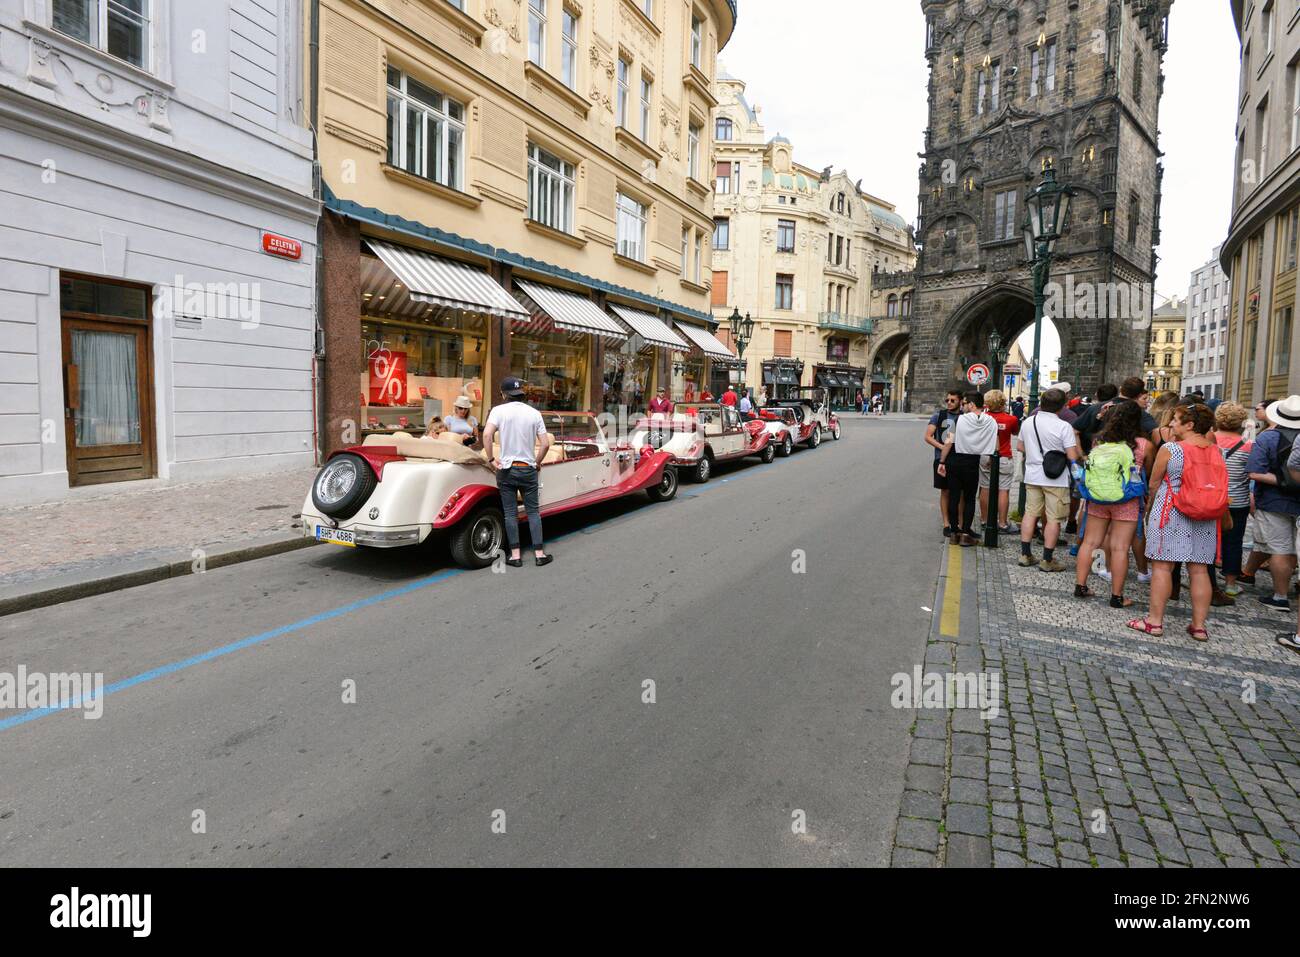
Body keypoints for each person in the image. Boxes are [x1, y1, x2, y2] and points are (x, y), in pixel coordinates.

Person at [1129, 404, 1224, 642]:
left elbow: (1154, 482)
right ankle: (1199, 626)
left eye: (1176, 420)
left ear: (1190, 425)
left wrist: (1149, 507)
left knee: (1162, 567)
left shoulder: (1171, 449)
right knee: (1200, 569)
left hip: (1172, 510)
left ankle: (1154, 622)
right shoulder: (1215, 451)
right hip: (1205, 514)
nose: (1171, 424)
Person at [1073, 401, 1151, 607]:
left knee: (1090, 542)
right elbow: (1148, 473)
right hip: (1127, 500)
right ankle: (1117, 596)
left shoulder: (1100, 441)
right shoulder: (1143, 445)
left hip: (1098, 497)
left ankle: (1080, 585)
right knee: (1119, 548)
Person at [482, 377, 554, 568]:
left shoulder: (498, 411)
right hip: (527, 468)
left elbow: (487, 434)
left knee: (510, 514)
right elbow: (545, 444)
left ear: (504, 394)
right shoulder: (534, 413)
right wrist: (536, 463)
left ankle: (515, 556)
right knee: (533, 512)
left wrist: (491, 459)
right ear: (521, 393)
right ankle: (539, 554)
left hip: (506, 470)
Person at [1245, 395, 1300, 611]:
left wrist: (1283, 480)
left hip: (1274, 501)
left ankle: (1280, 596)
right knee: (1294, 550)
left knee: (1280, 549)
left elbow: (1254, 473)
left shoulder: (1268, 438)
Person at [1017, 388, 1081, 572]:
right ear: (1062, 406)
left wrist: (1036, 454)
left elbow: (1020, 447)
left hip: (1033, 475)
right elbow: (1071, 455)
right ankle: (1047, 559)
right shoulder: (1063, 426)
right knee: (1054, 518)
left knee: (1030, 513)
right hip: (1056, 478)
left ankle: (1025, 554)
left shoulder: (1029, 421)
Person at [937, 392, 998, 546]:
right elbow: (995, 443)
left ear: (971, 405)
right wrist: (991, 459)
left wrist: (942, 461)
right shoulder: (990, 421)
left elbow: (949, 442)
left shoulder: (960, 419)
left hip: (955, 460)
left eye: (964, 404)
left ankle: (953, 532)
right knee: (970, 498)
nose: (963, 406)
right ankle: (965, 533)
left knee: (954, 496)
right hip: (972, 461)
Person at [1214, 402, 1253, 599]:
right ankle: (1230, 584)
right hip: (1237, 500)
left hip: (1212, 498)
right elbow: (1251, 474)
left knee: (1208, 539)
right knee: (1234, 542)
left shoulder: (1210, 441)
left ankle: (1206, 579)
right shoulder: (1248, 445)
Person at [978, 389, 1020, 532]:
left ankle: (984, 520)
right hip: (1003, 456)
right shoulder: (1011, 419)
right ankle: (1002, 523)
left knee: (985, 488)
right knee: (1004, 490)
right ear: (1003, 402)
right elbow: (1015, 432)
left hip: (985, 455)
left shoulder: (982, 418)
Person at [925, 391, 963, 538]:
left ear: (960, 401)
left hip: (959, 460)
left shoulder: (964, 417)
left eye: (953, 400)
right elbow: (928, 436)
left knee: (960, 493)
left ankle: (959, 524)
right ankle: (946, 523)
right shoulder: (938, 416)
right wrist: (943, 447)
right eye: (947, 400)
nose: (949, 402)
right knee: (945, 491)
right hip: (940, 459)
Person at [1071, 383, 1120, 454]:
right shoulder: (1122, 408)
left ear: (1097, 394)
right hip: (1116, 451)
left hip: (1094, 451)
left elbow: (1075, 430)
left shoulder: (1093, 409)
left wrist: (1081, 455)